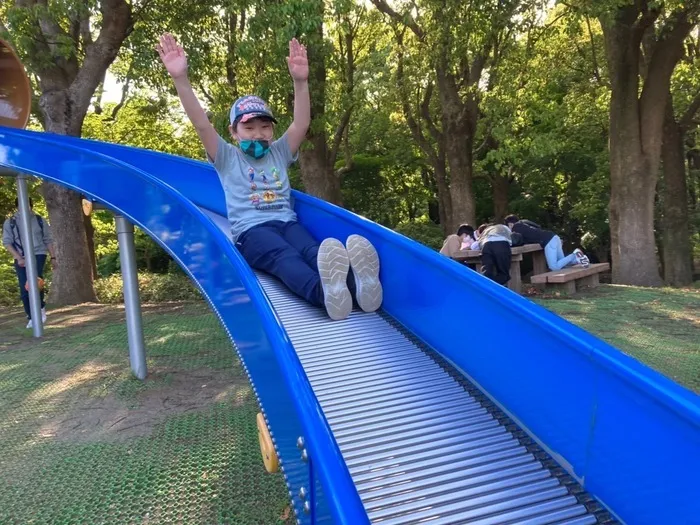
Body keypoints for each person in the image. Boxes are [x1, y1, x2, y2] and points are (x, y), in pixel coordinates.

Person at [156, 33, 382, 321]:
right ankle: (325, 296)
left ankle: (358, 288)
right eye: (249, 128)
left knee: (312, 250)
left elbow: (301, 123)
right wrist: (180, 78)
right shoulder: (227, 157)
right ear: (234, 132)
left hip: (286, 222)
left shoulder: (278, 152)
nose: (258, 134)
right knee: (284, 257)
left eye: (265, 127)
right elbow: (201, 124)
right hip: (252, 233)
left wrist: (300, 82)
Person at [2, 198, 55, 328]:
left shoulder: (39, 220)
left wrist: (53, 257)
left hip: (38, 254)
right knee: (24, 287)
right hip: (21, 256)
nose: (24, 207)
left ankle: (40, 309)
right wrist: (18, 257)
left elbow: (48, 239)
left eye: (27, 204)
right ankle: (31, 316)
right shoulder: (10, 222)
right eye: (21, 205)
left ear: (31, 205)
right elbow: (7, 242)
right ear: (17, 206)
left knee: (36, 283)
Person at [504, 214, 589, 271]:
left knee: (554, 267)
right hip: (554, 237)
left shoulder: (516, 228)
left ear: (510, 224)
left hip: (549, 241)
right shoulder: (525, 224)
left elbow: (517, 240)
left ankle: (574, 255)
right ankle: (579, 259)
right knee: (562, 262)